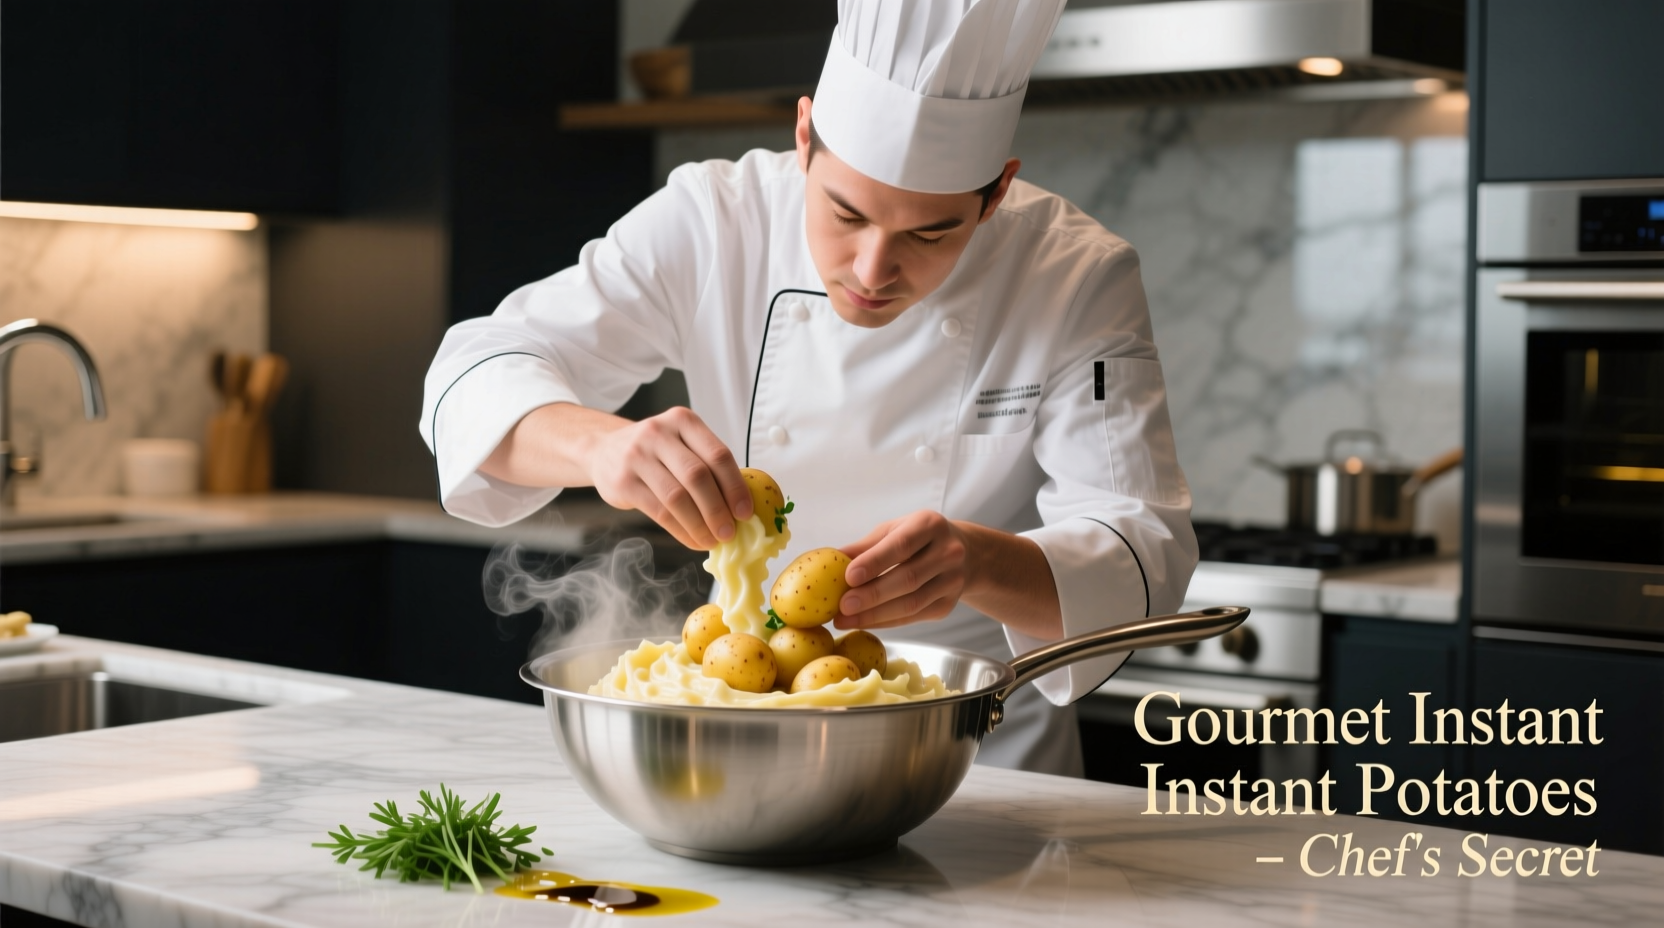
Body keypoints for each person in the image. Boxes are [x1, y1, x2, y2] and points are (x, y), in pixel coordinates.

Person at [420, 0, 1197, 776]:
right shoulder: (714, 222)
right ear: (803, 138)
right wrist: (604, 446)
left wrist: (978, 563)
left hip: (983, 766)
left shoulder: (1074, 277)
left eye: (931, 234)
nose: (871, 271)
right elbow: (471, 370)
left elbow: (1143, 555)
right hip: (744, 749)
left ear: (995, 195)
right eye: (845, 212)